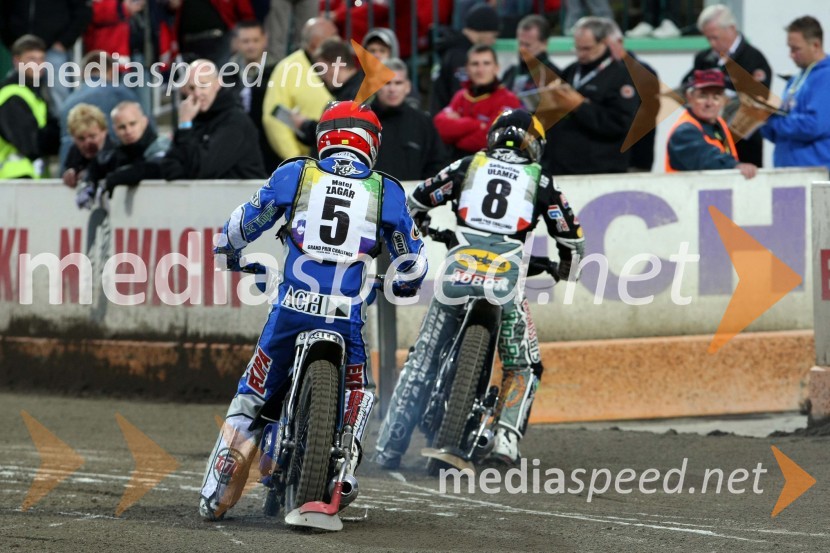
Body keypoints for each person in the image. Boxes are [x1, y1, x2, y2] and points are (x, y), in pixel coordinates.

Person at [200, 100, 429, 521]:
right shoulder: (388, 190)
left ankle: (217, 487)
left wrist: (228, 252)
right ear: (372, 143)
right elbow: (413, 261)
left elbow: (241, 225)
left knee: (253, 392)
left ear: (324, 135)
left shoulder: (297, 172)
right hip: (347, 316)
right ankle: (346, 468)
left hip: (291, 309)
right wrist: (402, 283)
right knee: (360, 391)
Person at [375, 108, 585, 469]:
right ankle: (505, 441)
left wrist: (423, 227)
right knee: (523, 364)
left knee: (423, 356)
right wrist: (565, 269)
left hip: (460, 264)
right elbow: (571, 238)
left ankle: (390, 443)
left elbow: (417, 201)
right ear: (533, 144)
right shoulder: (542, 181)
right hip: (507, 273)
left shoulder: (466, 165)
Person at [104, 59, 265, 188]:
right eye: (191, 88)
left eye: (203, 85)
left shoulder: (235, 121)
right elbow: (169, 166)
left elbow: (203, 170)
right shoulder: (191, 119)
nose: (197, 93)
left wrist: (186, 126)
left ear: (217, 84)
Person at [542, 16, 638, 175]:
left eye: (587, 48)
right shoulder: (572, 70)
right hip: (563, 166)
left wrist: (581, 107)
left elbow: (620, 124)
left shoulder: (622, 76)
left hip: (599, 169)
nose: (581, 54)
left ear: (604, 43)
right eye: (577, 48)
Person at [681, 4, 772, 167]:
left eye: (715, 37)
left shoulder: (753, 59)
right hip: (710, 143)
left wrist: (728, 101)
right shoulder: (705, 58)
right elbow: (685, 88)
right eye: (707, 38)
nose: (711, 43)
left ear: (731, 29)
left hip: (744, 145)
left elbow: (759, 102)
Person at [262, 17, 338, 161]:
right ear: (315, 43)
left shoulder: (339, 64)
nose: (339, 40)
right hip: (307, 159)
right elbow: (273, 118)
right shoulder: (288, 68)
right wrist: (297, 159)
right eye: (333, 37)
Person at [760, 16, 830, 169]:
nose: (790, 55)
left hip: (815, 172)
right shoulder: (796, 80)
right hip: (789, 172)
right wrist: (761, 119)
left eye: (796, 49)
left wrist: (773, 120)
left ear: (816, 45)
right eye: (789, 48)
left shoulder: (826, 77)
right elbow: (782, 132)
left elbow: (814, 126)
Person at [0, 0, 92, 111]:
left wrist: (63, 43)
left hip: (53, 50)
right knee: (15, 89)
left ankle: (60, 126)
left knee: (59, 97)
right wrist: (12, 41)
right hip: (21, 47)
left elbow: (83, 12)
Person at [434, 45, 522, 159]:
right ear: (467, 68)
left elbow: (491, 140)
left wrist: (456, 139)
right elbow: (439, 128)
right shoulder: (461, 96)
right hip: (457, 164)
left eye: (486, 63)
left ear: (496, 67)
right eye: (475, 64)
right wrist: (476, 125)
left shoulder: (508, 99)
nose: (480, 70)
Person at [666, 69, 756, 179]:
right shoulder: (684, 131)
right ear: (689, 98)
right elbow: (706, 158)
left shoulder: (718, 123)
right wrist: (734, 165)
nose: (709, 103)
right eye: (702, 96)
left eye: (716, 97)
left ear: (725, 100)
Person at [59, 51, 141, 170]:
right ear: (112, 72)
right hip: (112, 169)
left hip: (70, 171)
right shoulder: (121, 94)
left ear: (83, 73)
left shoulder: (67, 102)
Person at [371, 58, 447, 180]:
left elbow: (437, 164)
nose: (392, 89)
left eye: (398, 83)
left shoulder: (423, 123)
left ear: (407, 87)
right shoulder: (361, 121)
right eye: (386, 83)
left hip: (411, 196)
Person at [0, 35, 60, 179]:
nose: (38, 65)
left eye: (41, 59)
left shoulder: (33, 93)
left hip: (27, 177)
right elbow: (29, 144)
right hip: (12, 178)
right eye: (31, 59)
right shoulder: (12, 95)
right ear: (17, 61)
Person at [84, 101, 171, 200]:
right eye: (122, 127)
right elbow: (99, 165)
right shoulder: (119, 153)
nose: (128, 131)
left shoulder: (160, 144)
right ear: (115, 130)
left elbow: (156, 168)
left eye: (133, 124)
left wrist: (118, 177)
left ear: (144, 121)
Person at [430, 3, 500, 115]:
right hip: (450, 123)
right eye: (493, 36)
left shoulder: (454, 49)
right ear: (482, 31)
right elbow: (462, 96)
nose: (493, 42)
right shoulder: (461, 56)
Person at [231, 19, 280, 171]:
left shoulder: (279, 71)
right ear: (237, 43)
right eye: (245, 41)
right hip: (236, 143)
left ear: (264, 41)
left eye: (255, 40)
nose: (251, 46)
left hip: (271, 145)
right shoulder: (227, 73)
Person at [166, 0, 254, 66]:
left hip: (219, 40)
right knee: (192, 83)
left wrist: (241, 38)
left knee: (219, 81)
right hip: (188, 43)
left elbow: (247, 16)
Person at [501, 15, 561, 112]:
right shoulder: (511, 72)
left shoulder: (554, 75)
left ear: (544, 44)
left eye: (527, 45)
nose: (522, 50)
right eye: (520, 44)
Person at [62, 103, 114, 189]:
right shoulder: (74, 152)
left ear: (104, 132)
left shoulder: (115, 153)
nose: (87, 143)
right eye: (81, 139)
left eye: (92, 136)